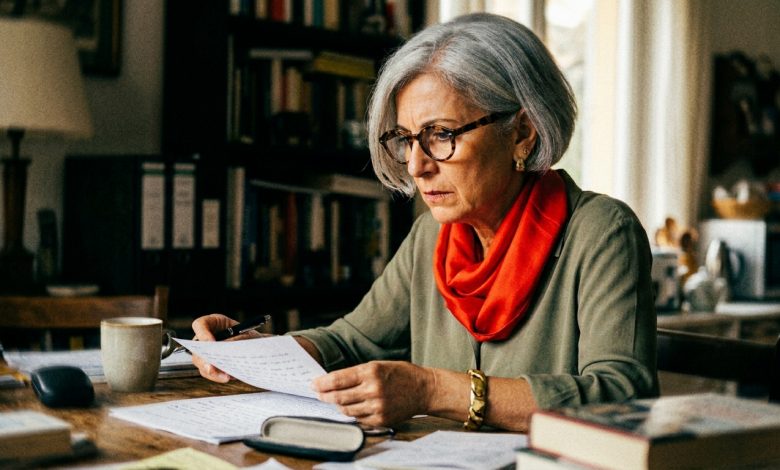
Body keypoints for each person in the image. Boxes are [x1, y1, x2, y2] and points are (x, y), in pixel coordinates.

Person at [192, 12, 657, 432]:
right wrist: (253, 353)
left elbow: (623, 393)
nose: (415, 166)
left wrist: (434, 390)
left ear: (522, 131)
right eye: (405, 138)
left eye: (441, 134)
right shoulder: (431, 236)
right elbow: (350, 342)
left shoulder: (601, 231)